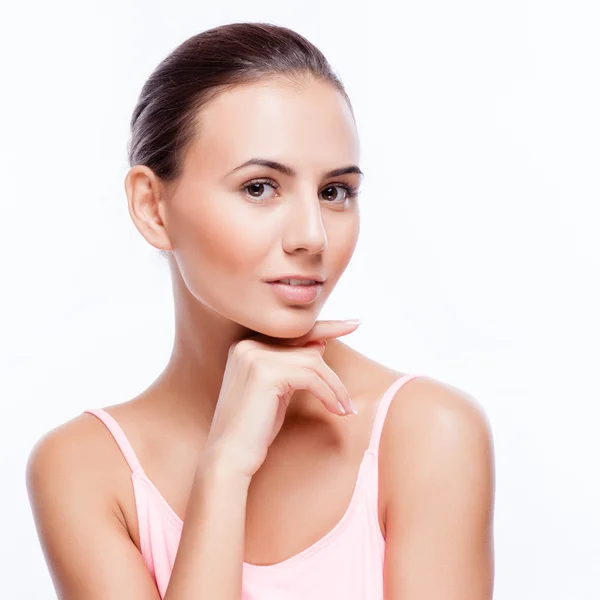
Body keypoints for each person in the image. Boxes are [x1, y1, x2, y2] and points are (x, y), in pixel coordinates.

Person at [25, 21, 495, 599]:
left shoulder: (427, 433)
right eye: (259, 187)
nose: (312, 236)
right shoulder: (85, 470)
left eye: (334, 192)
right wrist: (224, 471)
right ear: (152, 206)